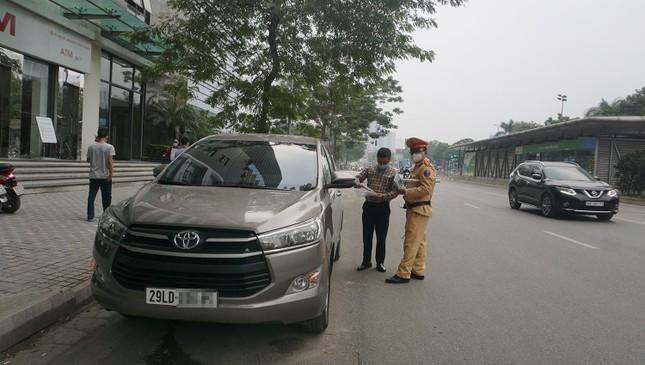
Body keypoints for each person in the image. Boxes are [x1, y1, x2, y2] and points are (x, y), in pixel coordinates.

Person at [386, 137, 437, 284]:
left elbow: (426, 189)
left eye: (417, 151)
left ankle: (403, 273)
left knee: (411, 242)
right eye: (413, 151)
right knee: (420, 242)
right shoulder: (418, 167)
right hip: (417, 209)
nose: (414, 154)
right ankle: (418, 269)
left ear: (424, 153)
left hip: (419, 210)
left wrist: (406, 192)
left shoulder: (426, 169)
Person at [354, 148, 399, 273]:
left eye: (385, 162)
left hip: (383, 207)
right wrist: (357, 182)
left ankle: (380, 262)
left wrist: (384, 196)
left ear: (389, 160)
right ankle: (366, 261)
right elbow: (358, 178)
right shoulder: (370, 169)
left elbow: (396, 191)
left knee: (381, 236)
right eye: (380, 162)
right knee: (367, 236)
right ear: (377, 159)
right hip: (369, 206)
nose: (382, 164)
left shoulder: (394, 172)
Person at [86, 127, 115, 222]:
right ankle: (106, 215)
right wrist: (111, 174)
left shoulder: (91, 147)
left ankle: (90, 215)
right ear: (107, 136)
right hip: (105, 175)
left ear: (98, 135)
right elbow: (110, 162)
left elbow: (88, 160)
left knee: (91, 195)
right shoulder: (109, 147)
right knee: (106, 196)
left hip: (93, 175)